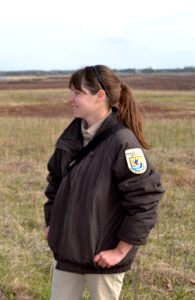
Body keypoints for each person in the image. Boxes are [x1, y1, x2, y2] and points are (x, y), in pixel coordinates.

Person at [43, 65, 165, 299]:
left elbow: (145, 201)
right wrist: (53, 224)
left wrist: (120, 251)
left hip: (104, 257)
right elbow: (55, 186)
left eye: (77, 93)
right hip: (68, 253)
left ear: (100, 96)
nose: (70, 99)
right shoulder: (70, 137)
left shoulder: (123, 143)